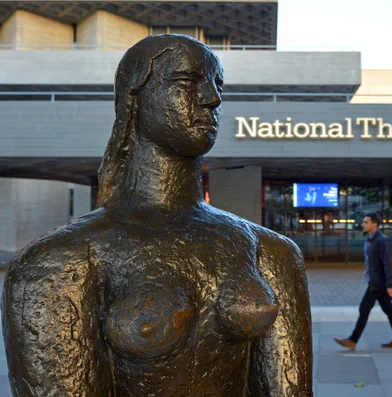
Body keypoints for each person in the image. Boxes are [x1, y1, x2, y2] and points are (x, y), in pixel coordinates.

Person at [2, 34, 312, 397]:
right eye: (186, 82)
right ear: (135, 99)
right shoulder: (59, 262)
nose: (213, 98)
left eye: (218, 84)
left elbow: (288, 388)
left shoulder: (270, 251)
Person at [334, 212, 392, 350]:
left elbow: (388, 264)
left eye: (366, 222)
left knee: (364, 308)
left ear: (374, 224)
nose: (363, 224)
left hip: (378, 283)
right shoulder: (369, 239)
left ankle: (353, 340)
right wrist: (368, 269)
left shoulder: (382, 240)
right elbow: (371, 259)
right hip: (374, 279)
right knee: (389, 310)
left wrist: (391, 285)